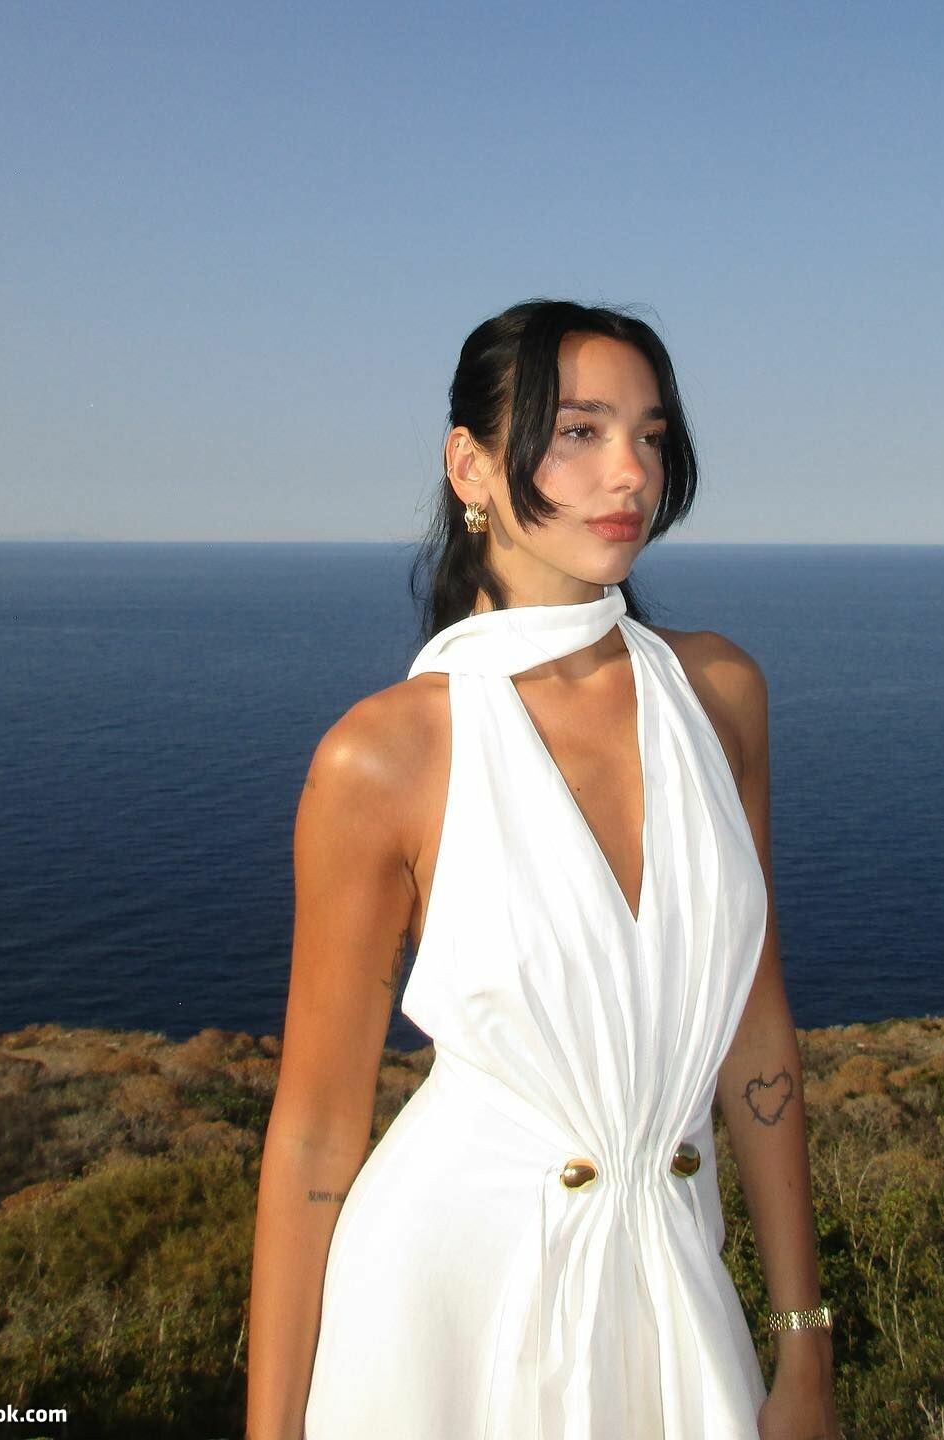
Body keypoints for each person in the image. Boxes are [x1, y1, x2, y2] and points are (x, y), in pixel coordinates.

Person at [246, 299, 842, 1440]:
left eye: (651, 435)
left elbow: (755, 1029)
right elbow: (316, 1129)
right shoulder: (385, 756)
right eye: (579, 431)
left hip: (677, 1295)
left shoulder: (720, 698)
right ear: (469, 466)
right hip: (447, 1321)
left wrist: (803, 1342)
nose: (631, 472)